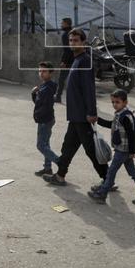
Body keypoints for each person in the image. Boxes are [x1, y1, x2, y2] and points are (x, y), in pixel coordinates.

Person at [43, 29, 109, 186]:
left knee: (91, 150)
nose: (72, 43)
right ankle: (60, 175)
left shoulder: (85, 61)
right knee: (68, 146)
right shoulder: (77, 60)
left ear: (83, 42)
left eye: (76, 40)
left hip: (82, 115)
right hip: (75, 115)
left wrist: (92, 112)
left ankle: (107, 179)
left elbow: (89, 89)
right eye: (71, 40)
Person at [90, 89, 135, 204]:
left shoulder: (125, 117)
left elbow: (131, 135)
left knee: (111, 171)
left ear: (125, 102)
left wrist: (132, 152)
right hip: (124, 150)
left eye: (117, 102)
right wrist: (98, 120)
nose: (114, 104)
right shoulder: (119, 115)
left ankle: (102, 193)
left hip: (123, 151)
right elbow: (111, 125)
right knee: (133, 173)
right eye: (113, 102)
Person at [32, 61, 59, 176]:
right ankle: (47, 168)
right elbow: (39, 103)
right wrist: (35, 94)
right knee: (46, 144)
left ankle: (60, 162)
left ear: (50, 73)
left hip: (45, 120)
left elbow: (43, 105)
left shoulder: (47, 88)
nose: (41, 73)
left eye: (44, 71)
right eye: (40, 71)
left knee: (41, 145)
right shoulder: (45, 86)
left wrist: (35, 94)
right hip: (46, 119)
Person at [54, 17, 74, 103]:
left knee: (61, 79)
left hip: (68, 61)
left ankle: (58, 97)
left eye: (62, 23)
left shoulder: (66, 34)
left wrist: (64, 62)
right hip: (75, 59)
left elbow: (67, 50)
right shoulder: (73, 32)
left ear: (66, 24)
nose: (61, 25)